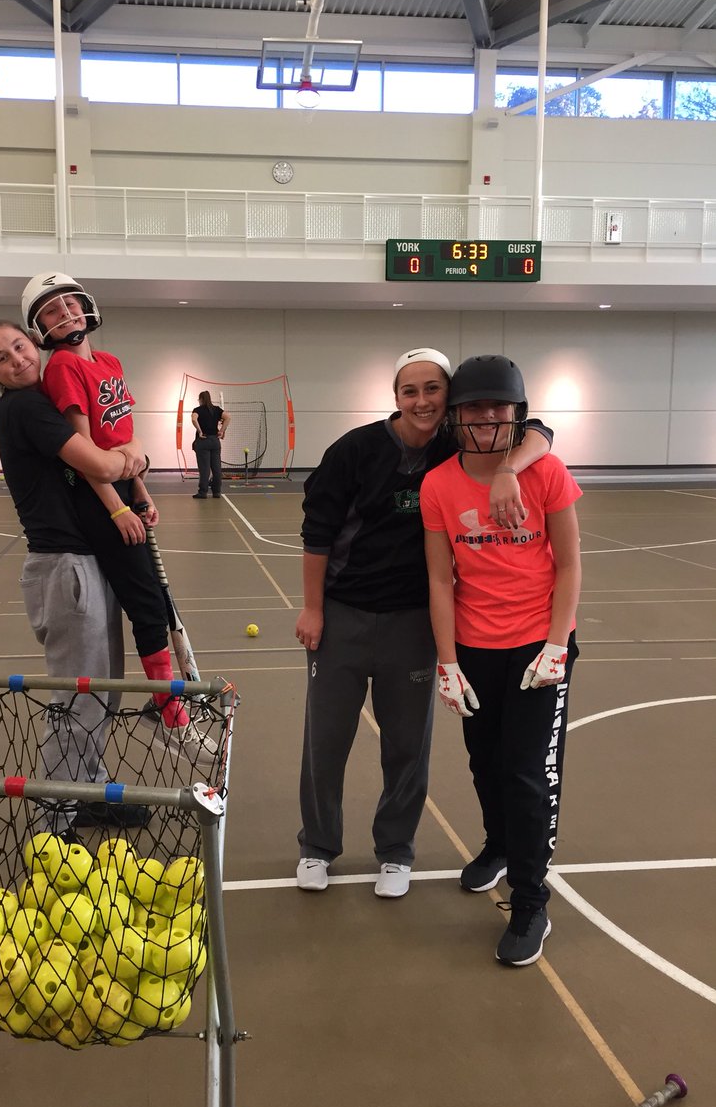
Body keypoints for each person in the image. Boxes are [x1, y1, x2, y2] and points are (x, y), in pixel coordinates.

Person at [294, 347, 554, 900]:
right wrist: (313, 608)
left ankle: (395, 851)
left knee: (407, 746)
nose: (421, 400)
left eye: (433, 389)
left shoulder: (456, 445)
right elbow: (317, 535)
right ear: (395, 398)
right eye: (410, 391)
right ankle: (318, 845)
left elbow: (537, 429)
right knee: (326, 741)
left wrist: (509, 467)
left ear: (449, 398)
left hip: (414, 623)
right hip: (343, 616)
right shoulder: (355, 451)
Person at [421, 355, 581, 966]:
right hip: (473, 648)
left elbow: (569, 565)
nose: (487, 417)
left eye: (499, 407)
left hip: (538, 648)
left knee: (525, 773)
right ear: (456, 416)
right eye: (474, 407)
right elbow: (440, 580)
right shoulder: (439, 484)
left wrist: (556, 644)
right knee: (484, 764)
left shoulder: (547, 473)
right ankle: (498, 846)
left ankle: (531, 899)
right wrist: (446, 661)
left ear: (518, 413)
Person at [0, 318, 149, 836]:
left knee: (100, 694)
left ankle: (87, 795)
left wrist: (131, 466)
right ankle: (56, 819)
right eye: (3, 358)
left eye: (20, 347)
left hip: (88, 563)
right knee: (78, 698)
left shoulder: (44, 401)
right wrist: (136, 453)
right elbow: (102, 464)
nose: (19, 359)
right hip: (64, 567)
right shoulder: (23, 408)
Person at [19, 272, 207, 750]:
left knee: (152, 600)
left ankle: (163, 706)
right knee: (145, 601)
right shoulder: (63, 366)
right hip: (97, 494)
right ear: (42, 327)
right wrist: (118, 507)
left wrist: (140, 490)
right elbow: (84, 448)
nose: (66, 313)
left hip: (121, 485)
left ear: (86, 306)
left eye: (70, 303)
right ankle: (168, 716)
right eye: (52, 311)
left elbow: (121, 435)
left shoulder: (109, 361)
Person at [190, 390, 230, 499]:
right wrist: (221, 430)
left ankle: (203, 492)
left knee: (204, 469)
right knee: (217, 468)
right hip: (215, 442)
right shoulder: (216, 410)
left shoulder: (198, 410)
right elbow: (228, 417)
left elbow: (194, 419)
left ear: (201, 399)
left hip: (203, 441)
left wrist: (199, 431)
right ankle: (216, 492)